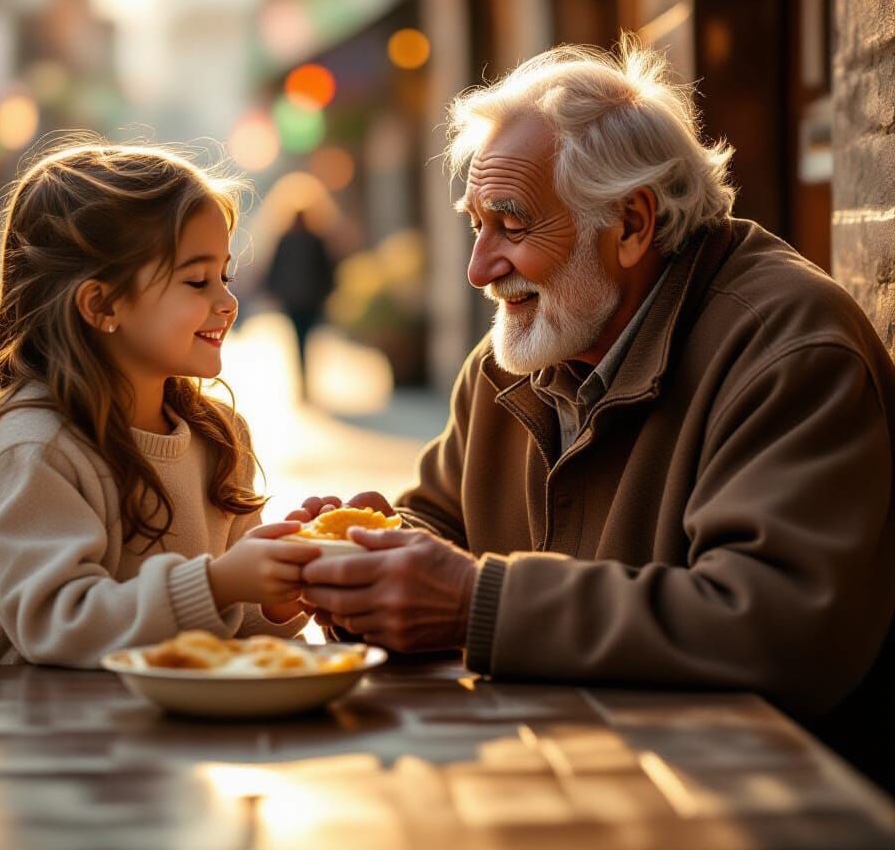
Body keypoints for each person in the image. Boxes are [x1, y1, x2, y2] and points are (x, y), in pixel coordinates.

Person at [295, 38, 895, 786]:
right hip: (564, 777)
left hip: (752, 803)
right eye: (475, 225)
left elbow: (778, 627)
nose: (480, 268)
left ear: (633, 224)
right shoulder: (518, 352)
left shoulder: (789, 350)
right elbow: (443, 524)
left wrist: (475, 604)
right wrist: (372, 562)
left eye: (511, 226)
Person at [0, 140, 320, 667]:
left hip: (156, 731)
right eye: (197, 280)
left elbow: (226, 626)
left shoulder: (220, 436)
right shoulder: (39, 445)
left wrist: (281, 586)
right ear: (102, 303)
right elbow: (59, 623)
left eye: (224, 275)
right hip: (26, 734)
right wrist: (219, 582)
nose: (227, 302)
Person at [265, 209, 334, 399]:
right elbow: (274, 269)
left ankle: (305, 377)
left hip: (310, 300)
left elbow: (327, 270)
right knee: (299, 338)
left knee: (305, 338)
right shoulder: (286, 241)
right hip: (294, 300)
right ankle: (303, 378)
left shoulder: (315, 241)